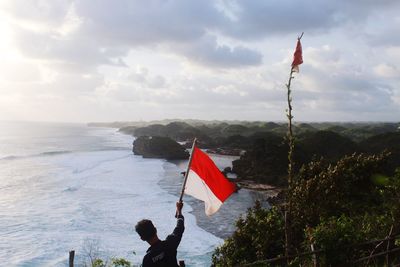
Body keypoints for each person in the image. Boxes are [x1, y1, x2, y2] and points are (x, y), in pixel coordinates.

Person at [135, 201, 185, 267]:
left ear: (142, 238)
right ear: (155, 230)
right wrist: (179, 210)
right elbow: (180, 227)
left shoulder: (147, 259)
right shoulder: (170, 243)